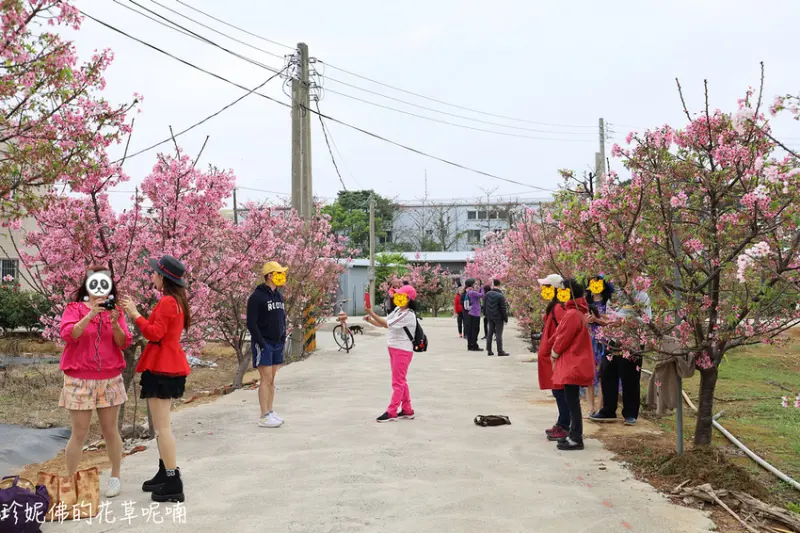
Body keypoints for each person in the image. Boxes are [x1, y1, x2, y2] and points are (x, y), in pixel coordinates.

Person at [121, 254, 191, 503]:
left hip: (162, 366)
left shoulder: (168, 302)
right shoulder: (176, 301)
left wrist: (134, 314)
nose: (151, 276)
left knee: (162, 428)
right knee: (163, 426)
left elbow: (154, 332)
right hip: (167, 363)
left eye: (154, 273)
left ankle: (173, 480)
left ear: (163, 277)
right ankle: (165, 471)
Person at [59, 266, 132, 499]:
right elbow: (69, 335)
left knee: (110, 430)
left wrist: (114, 323)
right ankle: (70, 481)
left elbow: (123, 343)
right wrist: (89, 315)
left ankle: (115, 476)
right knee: (78, 433)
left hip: (109, 378)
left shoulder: (116, 311)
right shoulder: (74, 308)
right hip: (79, 379)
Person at [590, 284, 651, 426]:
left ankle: (630, 414)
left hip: (632, 342)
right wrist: (600, 320)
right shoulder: (614, 295)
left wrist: (624, 321)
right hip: (613, 341)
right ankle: (608, 410)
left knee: (629, 378)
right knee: (607, 375)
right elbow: (610, 317)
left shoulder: (642, 295)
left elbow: (647, 320)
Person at [551, 278, 595, 451]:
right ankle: (573, 435)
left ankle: (576, 438)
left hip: (572, 362)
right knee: (573, 400)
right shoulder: (579, 311)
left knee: (572, 401)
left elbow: (563, 338)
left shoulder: (572, 314)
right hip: (577, 360)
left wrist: (554, 353)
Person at [363, 284, 418, 423]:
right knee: (401, 381)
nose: (397, 298)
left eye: (401, 296)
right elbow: (384, 323)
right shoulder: (398, 311)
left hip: (402, 350)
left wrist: (370, 312)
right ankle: (407, 409)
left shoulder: (408, 315)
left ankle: (392, 411)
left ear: (409, 299)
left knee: (397, 383)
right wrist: (371, 320)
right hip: (395, 349)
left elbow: (387, 325)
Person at [246, 261, 288, 429]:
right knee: (266, 378)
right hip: (264, 343)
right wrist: (261, 343)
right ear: (270, 275)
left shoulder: (279, 295)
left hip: (277, 342)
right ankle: (263, 415)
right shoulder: (257, 297)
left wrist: (283, 337)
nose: (283, 276)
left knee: (272, 379)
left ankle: (270, 411)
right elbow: (251, 323)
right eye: (280, 273)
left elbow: (282, 318)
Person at [537, 274, 569, 442]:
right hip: (551, 355)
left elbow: (564, 332)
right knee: (558, 391)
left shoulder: (559, 308)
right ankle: (561, 422)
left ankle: (564, 425)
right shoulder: (556, 306)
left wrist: (553, 350)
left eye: (547, 286)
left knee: (560, 391)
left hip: (556, 356)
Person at [585, 275, 615, 416]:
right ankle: (590, 406)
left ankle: (600, 406)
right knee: (589, 374)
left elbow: (611, 319)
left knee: (603, 374)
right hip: (588, 340)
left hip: (603, 340)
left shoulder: (608, 302)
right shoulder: (585, 301)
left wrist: (597, 319)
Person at [484, 279, 510, 356]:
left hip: (490, 316)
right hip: (498, 317)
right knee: (498, 334)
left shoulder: (487, 294)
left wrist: (486, 315)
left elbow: (484, 305)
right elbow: (503, 309)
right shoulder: (500, 296)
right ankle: (500, 351)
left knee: (490, 333)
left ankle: (489, 350)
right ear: (499, 285)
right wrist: (505, 318)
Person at [465, 279, 485, 351]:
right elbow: (482, 295)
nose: (476, 285)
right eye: (474, 283)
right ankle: (474, 346)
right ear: (471, 284)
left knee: (471, 330)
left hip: (472, 313)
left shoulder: (470, 292)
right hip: (475, 313)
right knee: (475, 330)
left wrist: (478, 288)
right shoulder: (472, 292)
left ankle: (470, 345)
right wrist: (482, 288)